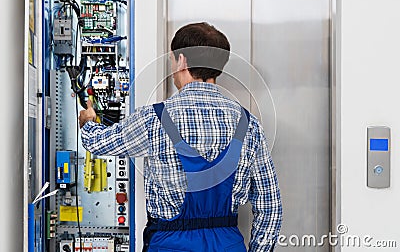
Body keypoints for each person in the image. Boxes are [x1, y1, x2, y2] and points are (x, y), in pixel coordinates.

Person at [79, 22, 282, 252]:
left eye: (173, 60)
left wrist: (88, 121)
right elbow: (270, 207)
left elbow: (98, 143)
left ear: (182, 61)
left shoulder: (154, 118)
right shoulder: (249, 125)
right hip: (228, 244)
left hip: (170, 245)